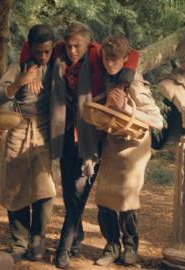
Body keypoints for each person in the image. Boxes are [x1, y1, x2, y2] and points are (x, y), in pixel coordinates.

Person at [46, 22, 139, 269]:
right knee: (69, 194)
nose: (73, 50)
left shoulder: (97, 54)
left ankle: (63, 249)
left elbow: (133, 56)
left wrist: (122, 83)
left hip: (90, 139)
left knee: (78, 195)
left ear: (88, 44)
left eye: (77, 45)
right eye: (69, 45)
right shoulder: (58, 53)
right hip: (64, 134)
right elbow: (29, 49)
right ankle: (76, 239)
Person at [83, 35, 163, 266]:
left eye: (115, 60)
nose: (110, 64)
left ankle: (131, 248)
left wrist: (126, 107)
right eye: (107, 59)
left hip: (135, 146)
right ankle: (111, 246)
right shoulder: (107, 77)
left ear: (125, 59)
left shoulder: (134, 82)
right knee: (104, 195)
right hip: (113, 141)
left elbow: (157, 121)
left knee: (126, 197)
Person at [0, 24, 56, 263]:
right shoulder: (17, 67)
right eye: (39, 52)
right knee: (15, 187)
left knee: (44, 190)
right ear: (29, 48)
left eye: (48, 51)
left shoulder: (55, 68)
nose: (43, 56)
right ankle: (19, 241)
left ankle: (37, 239)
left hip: (44, 133)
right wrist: (20, 81)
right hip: (18, 129)